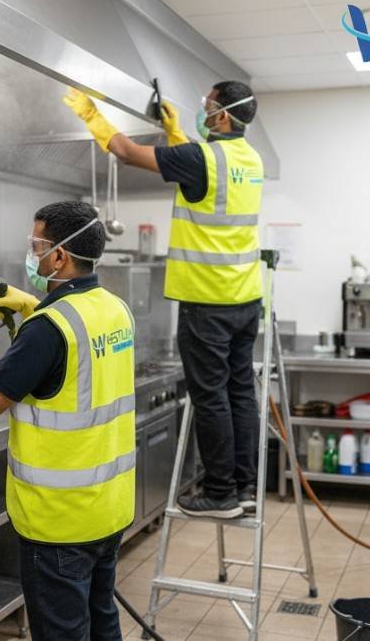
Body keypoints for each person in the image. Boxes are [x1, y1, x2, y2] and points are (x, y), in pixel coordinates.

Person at [63, 81, 264, 520]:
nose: (202, 111)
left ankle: (220, 494)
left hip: (206, 301)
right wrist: (175, 135)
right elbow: (202, 180)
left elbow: (127, 152)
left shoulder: (202, 157)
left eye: (207, 106)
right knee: (240, 393)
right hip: (245, 299)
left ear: (224, 115)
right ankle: (245, 488)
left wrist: (90, 115)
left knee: (210, 397)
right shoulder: (249, 159)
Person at [0, 200, 136, 641]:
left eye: (37, 245)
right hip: (108, 507)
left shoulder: (49, 328)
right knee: (101, 620)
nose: (32, 254)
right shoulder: (114, 308)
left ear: (60, 256)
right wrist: (31, 307)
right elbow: (70, 368)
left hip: (60, 521)